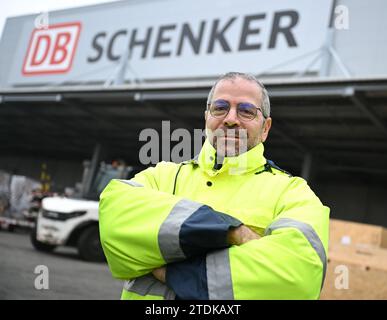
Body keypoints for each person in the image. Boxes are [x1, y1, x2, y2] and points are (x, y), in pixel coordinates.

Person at [99, 72, 330, 300]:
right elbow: (114, 217)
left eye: (246, 111)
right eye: (220, 108)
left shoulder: (292, 193)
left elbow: (299, 277)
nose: (230, 118)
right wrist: (232, 232)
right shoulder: (164, 175)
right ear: (207, 118)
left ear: (265, 129)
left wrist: (175, 274)